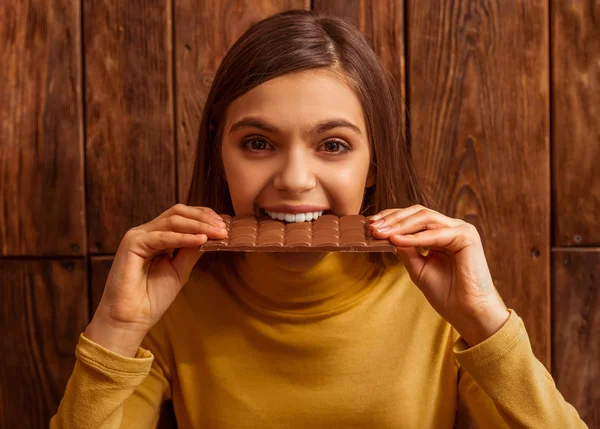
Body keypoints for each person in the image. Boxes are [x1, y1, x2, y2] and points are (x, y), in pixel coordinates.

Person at [50, 9, 587, 428]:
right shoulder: (170, 304)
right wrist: (117, 329)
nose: (294, 179)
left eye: (333, 145)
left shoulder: (439, 303)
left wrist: (485, 323)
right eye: (258, 143)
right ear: (220, 153)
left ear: (373, 164)